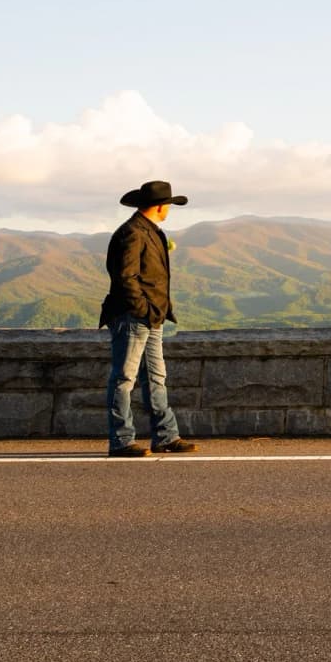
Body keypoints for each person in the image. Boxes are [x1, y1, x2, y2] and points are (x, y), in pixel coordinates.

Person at [99, 180, 199, 457]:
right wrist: (142, 308)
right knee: (124, 379)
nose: (169, 210)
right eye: (168, 205)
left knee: (155, 377)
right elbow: (125, 277)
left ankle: (166, 437)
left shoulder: (150, 231)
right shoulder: (132, 233)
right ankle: (121, 441)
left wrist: (153, 312)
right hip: (134, 315)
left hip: (152, 316)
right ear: (160, 206)